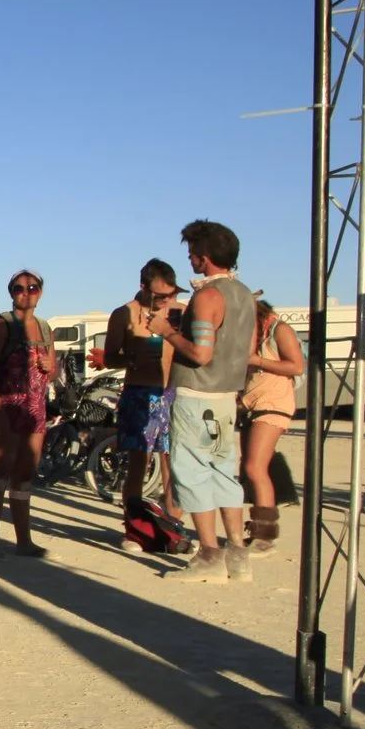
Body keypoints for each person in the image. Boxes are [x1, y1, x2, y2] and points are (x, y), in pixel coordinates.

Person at [158, 220, 256, 583]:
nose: (190, 259)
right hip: (226, 396)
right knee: (225, 474)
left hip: (196, 395)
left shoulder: (207, 297)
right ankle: (237, 555)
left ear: (204, 256)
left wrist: (167, 332)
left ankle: (210, 555)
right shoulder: (245, 295)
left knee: (192, 474)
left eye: (192, 253)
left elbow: (200, 353)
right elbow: (246, 350)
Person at [0, 269, 58, 558]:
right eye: (19, 288)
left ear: (40, 293)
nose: (26, 293)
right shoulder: (2, 325)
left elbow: (53, 372)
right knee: (0, 473)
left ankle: (24, 541)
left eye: (32, 288)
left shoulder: (44, 329)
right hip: (4, 407)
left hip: (33, 410)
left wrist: (50, 366)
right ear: (11, 293)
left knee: (25, 473)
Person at [103, 259, 184, 549]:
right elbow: (110, 357)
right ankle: (134, 529)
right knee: (139, 463)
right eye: (161, 295)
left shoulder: (178, 312)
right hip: (139, 391)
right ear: (144, 287)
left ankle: (173, 528)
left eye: (171, 294)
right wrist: (131, 358)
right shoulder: (124, 314)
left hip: (172, 393)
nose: (166, 300)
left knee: (174, 463)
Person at [238, 295, 304, 553]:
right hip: (253, 405)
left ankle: (265, 536)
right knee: (251, 467)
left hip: (273, 404)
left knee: (255, 467)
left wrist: (257, 361)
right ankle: (260, 530)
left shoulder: (279, 330)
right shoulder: (255, 335)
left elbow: (296, 367)